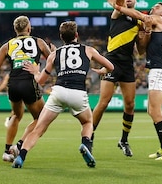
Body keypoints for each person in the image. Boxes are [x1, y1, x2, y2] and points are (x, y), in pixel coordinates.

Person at [12, 20, 114, 169]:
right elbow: (110, 66)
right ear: (77, 35)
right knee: (87, 122)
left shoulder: (54, 54)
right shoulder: (88, 50)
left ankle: (21, 157)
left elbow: (40, 81)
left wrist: (35, 72)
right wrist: (103, 70)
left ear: (61, 37)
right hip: (78, 93)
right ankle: (85, 143)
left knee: (39, 129)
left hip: (58, 92)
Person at [91, 0, 154, 157]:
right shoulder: (117, 13)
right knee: (103, 102)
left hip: (127, 64)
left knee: (130, 104)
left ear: (135, 1)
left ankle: (124, 140)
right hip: (111, 61)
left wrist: (147, 33)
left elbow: (141, 51)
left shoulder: (138, 22)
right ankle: (88, 137)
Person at [113, 0, 162, 160]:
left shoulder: (159, 20)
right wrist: (147, 31)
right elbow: (141, 50)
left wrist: (119, 8)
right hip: (157, 71)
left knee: (156, 111)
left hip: (159, 71)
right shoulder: (156, 25)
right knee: (152, 111)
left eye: (157, 7)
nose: (153, 8)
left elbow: (144, 17)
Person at [0, 15, 54, 162]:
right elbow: (52, 61)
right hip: (29, 82)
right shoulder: (39, 41)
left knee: (16, 115)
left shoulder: (7, 45)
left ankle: (7, 151)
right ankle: (19, 145)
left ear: (15, 30)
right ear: (29, 28)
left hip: (13, 83)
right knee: (41, 118)